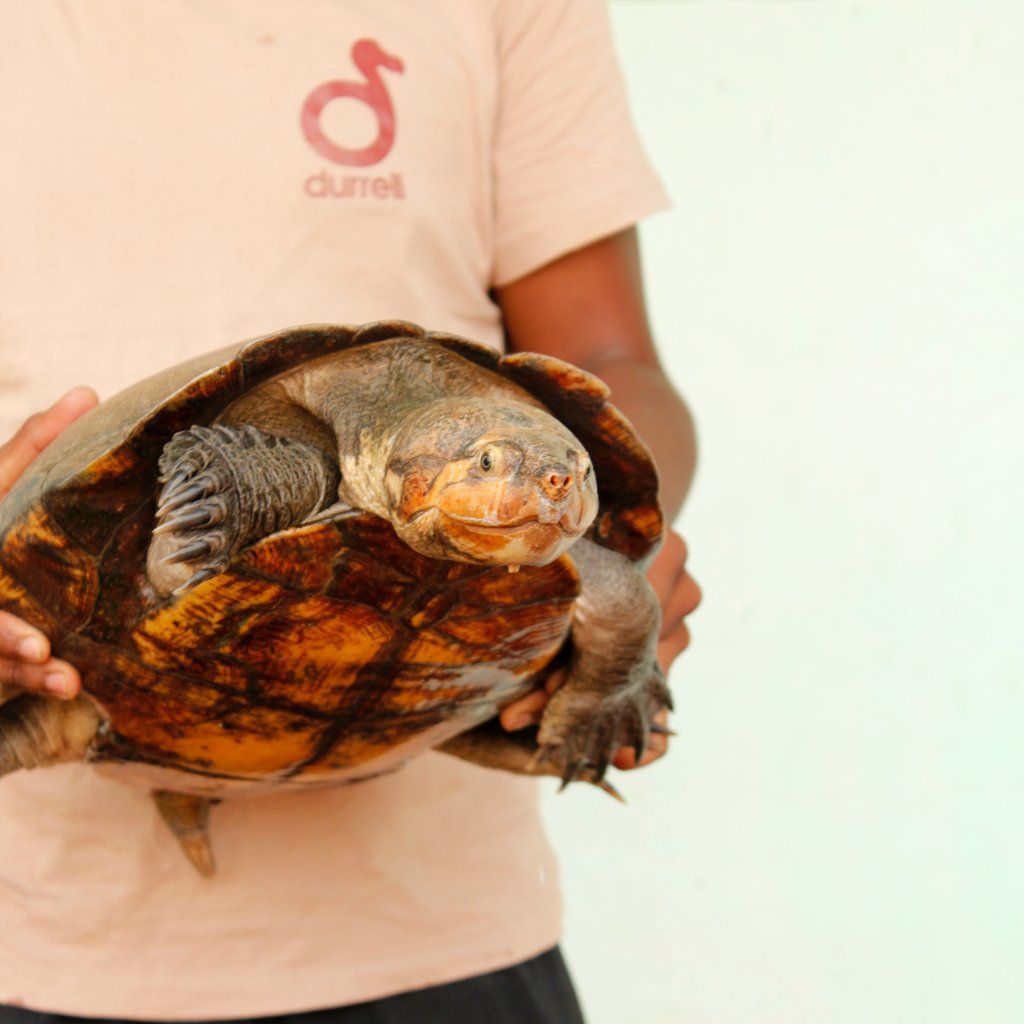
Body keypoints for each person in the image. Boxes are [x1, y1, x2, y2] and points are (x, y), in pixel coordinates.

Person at [0, 2, 699, 1021]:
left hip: (443, 935)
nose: (538, 491)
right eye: (505, 467)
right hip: (37, 929)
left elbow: (609, 361)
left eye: (555, 480)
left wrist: (625, 576)